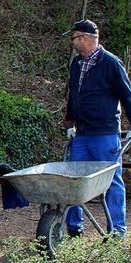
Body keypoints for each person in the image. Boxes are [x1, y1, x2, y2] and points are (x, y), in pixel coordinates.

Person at [64, 19, 131, 237]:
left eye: (73, 38)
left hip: (105, 133)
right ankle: (75, 226)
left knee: (111, 181)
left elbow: (127, 95)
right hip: (82, 134)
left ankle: (117, 229)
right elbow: (73, 95)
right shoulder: (76, 64)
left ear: (84, 38)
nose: (72, 42)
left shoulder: (110, 63)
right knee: (74, 181)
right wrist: (70, 122)